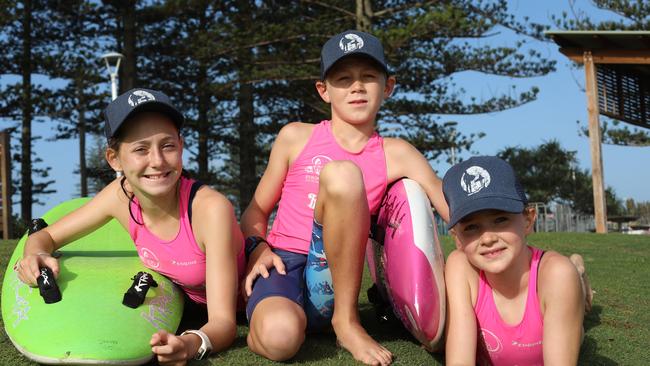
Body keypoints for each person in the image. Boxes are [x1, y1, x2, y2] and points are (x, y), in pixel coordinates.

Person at [240, 30, 450, 366]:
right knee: (280, 340)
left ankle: (347, 322)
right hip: (283, 262)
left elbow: (446, 203)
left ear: (388, 86)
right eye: (343, 79)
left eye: (369, 77)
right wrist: (257, 248)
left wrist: (494, 224)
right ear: (324, 90)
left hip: (335, 279)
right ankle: (263, 318)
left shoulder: (398, 154)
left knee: (343, 174)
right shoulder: (294, 137)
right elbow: (256, 210)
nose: (356, 87)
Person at [14, 88, 245, 365]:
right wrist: (35, 254)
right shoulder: (120, 196)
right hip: (191, 305)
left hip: (247, 302)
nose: (157, 161)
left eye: (168, 145)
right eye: (140, 149)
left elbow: (223, 322)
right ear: (114, 159)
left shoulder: (210, 209)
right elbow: (47, 235)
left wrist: (189, 344)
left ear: (181, 146)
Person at [443, 156, 592, 366]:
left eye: (500, 219)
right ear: (457, 239)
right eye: (471, 227)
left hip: (558, 288)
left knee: (568, 278)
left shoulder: (557, 275)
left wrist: (570, 276)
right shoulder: (460, 267)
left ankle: (577, 272)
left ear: (528, 220)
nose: (488, 238)